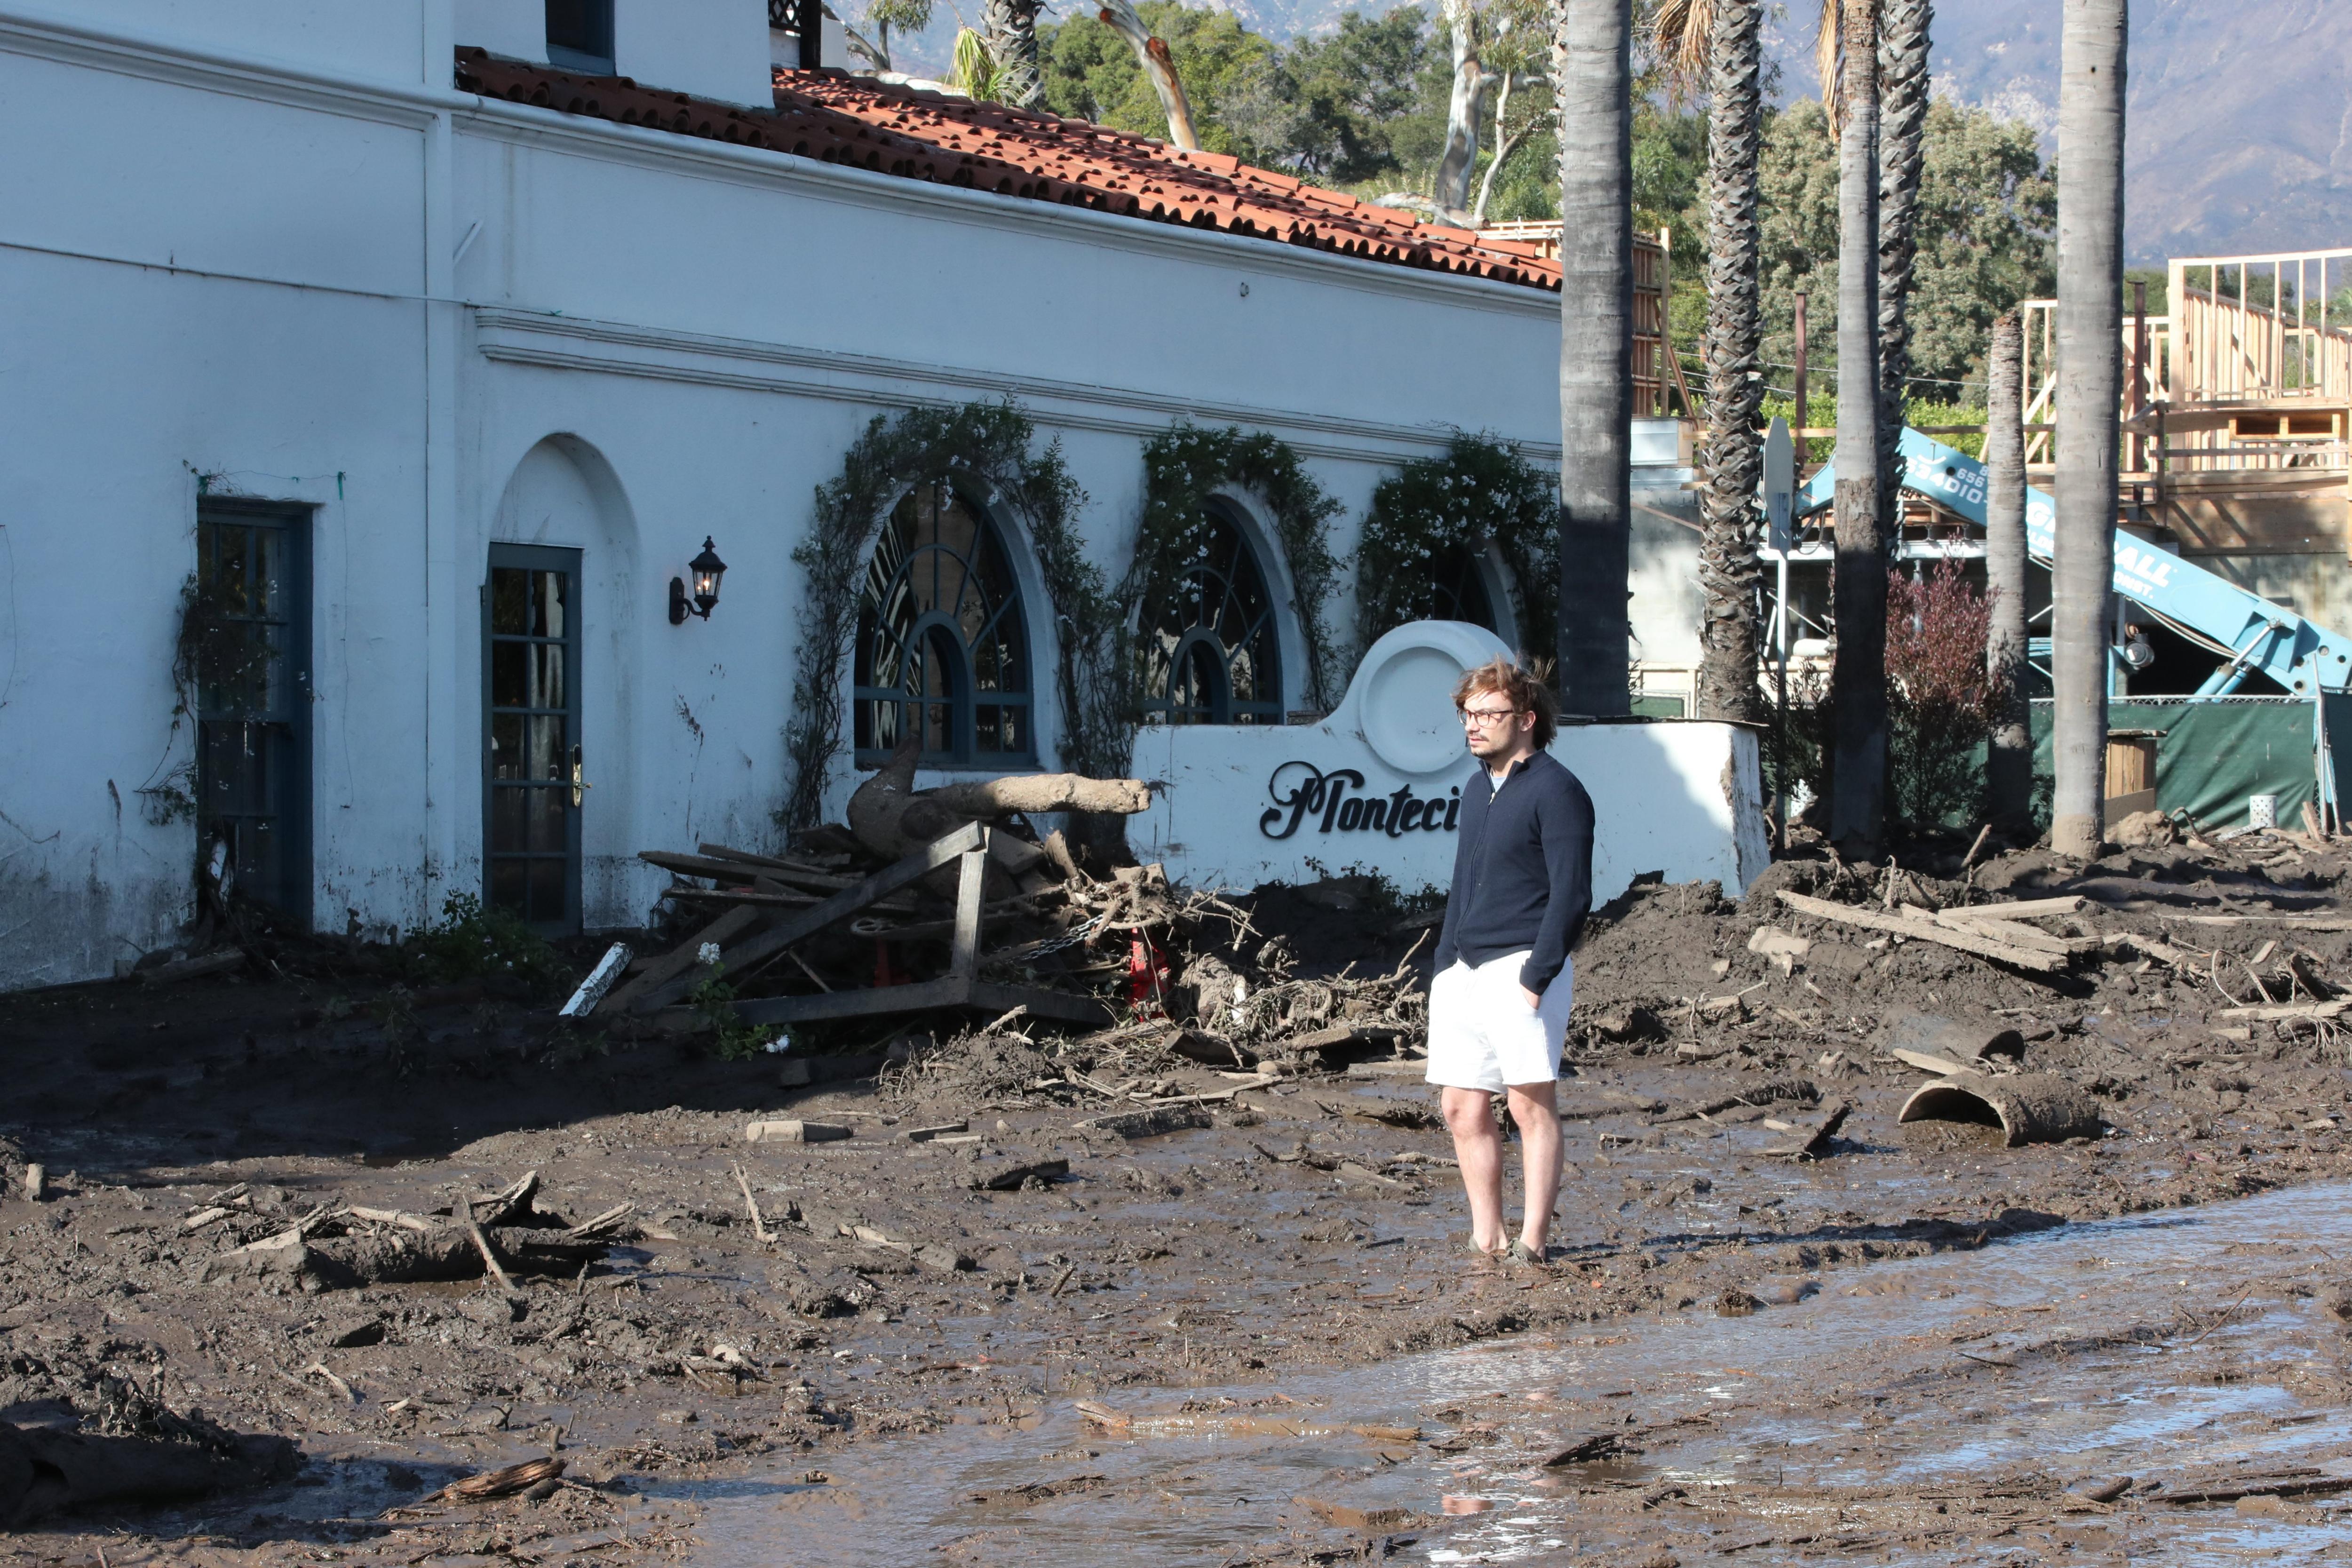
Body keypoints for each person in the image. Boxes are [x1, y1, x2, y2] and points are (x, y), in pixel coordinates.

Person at [1426, 656, 1594, 1267]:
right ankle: (1488, 1238)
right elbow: (1462, 884)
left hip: (1523, 966)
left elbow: (1572, 893)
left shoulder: (1558, 790)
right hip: (1464, 972)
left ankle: (1532, 1242)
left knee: (1529, 1105)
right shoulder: (1478, 789)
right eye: (1467, 714)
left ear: (1526, 719)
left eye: (1487, 713)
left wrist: (1536, 976)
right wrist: (1444, 966)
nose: (1473, 725)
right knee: (1461, 1106)